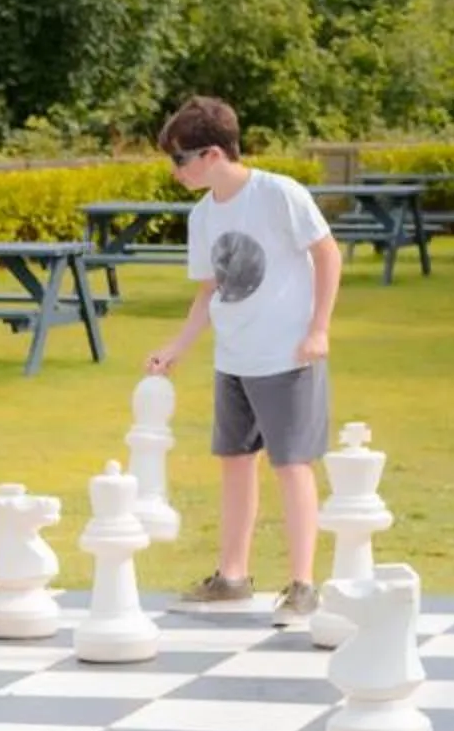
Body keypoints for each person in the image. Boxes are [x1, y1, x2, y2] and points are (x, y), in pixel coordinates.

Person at [143, 97, 342, 624]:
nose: (175, 171)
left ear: (212, 154)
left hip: (287, 354)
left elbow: (328, 254)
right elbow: (212, 289)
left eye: (180, 159)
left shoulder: (278, 194)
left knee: (291, 465)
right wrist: (177, 346)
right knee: (234, 461)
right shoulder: (203, 215)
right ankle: (232, 576)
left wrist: (319, 329)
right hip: (234, 358)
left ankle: (302, 585)